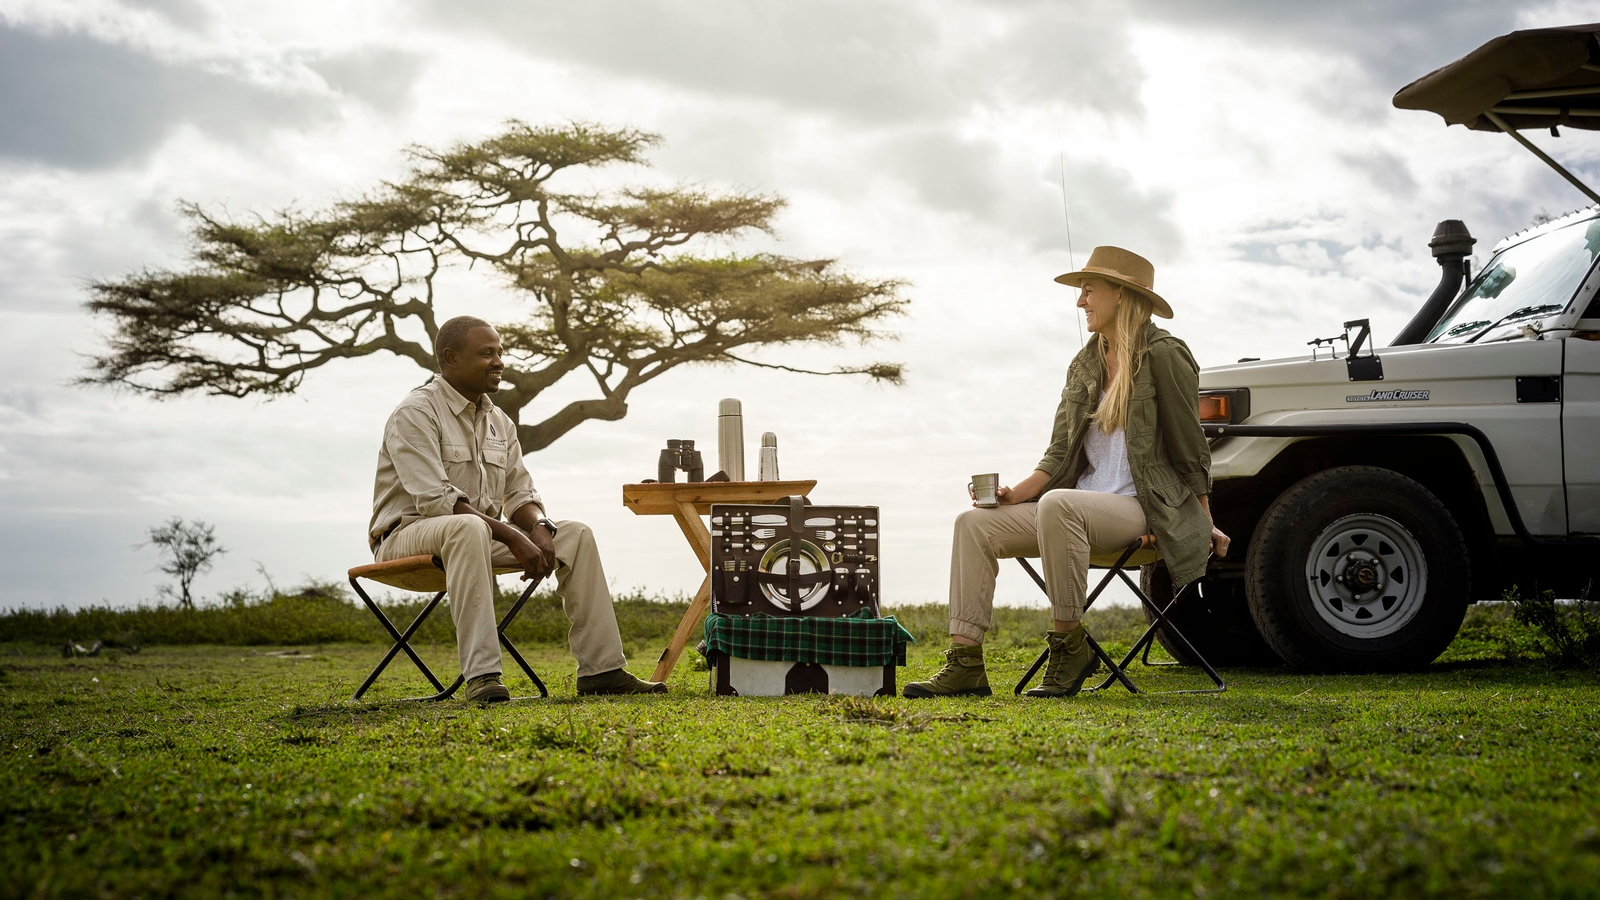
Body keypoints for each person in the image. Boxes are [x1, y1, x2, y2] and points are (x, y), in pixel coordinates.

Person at [904, 247, 1229, 699]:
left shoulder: (1164, 355)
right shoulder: (1085, 363)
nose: (1080, 302)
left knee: (1059, 504)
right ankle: (965, 664)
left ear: (1122, 294)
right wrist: (1017, 493)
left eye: (1089, 291)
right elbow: (1059, 452)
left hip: (1142, 509)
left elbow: (1191, 446)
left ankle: (1070, 645)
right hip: (1075, 511)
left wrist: (1203, 519)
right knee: (973, 523)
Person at [367, 316, 666, 701]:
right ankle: (483, 677)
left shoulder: (499, 422)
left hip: (472, 538)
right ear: (450, 358)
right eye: (486, 353)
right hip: (406, 537)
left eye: (500, 352)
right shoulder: (415, 412)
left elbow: (520, 493)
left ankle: (602, 670)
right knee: (468, 527)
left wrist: (540, 527)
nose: (499, 362)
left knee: (574, 534)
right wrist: (512, 535)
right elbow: (438, 502)